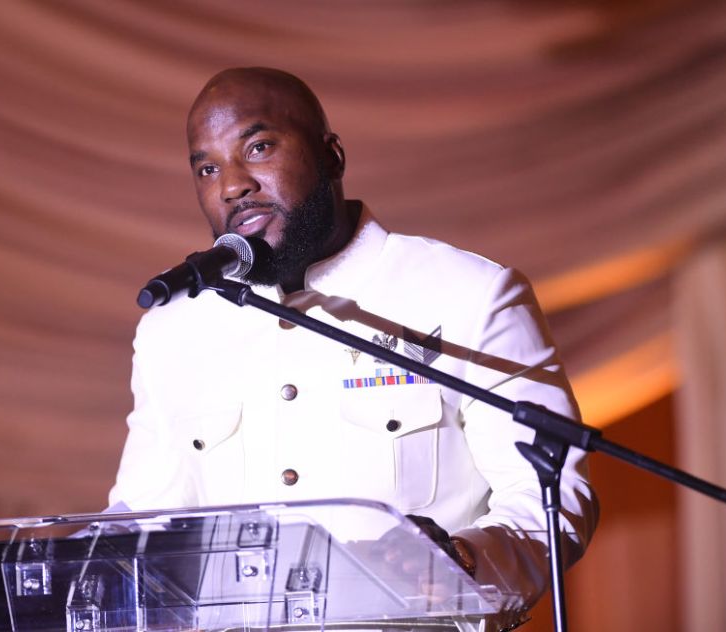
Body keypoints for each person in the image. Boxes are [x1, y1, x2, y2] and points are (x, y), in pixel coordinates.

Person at [109, 67, 598, 630]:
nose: (232, 185)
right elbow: (142, 522)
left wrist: (464, 561)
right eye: (207, 168)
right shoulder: (174, 331)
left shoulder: (470, 293)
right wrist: (78, 563)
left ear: (331, 156)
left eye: (259, 147)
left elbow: (553, 499)